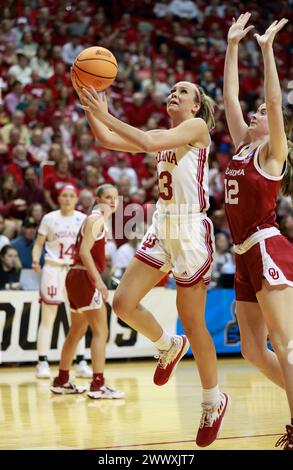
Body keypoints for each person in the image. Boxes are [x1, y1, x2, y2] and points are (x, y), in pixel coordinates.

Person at [73, 75, 230, 446]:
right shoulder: (165, 135)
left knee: (193, 323)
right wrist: (93, 111)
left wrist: (104, 112)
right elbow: (107, 140)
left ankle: (213, 400)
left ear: (196, 105)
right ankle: (167, 345)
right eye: (172, 91)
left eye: (184, 92)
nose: (174, 94)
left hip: (190, 229)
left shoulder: (196, 127)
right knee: (123, 303)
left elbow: (143, 140)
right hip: (163, 223)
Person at [223, 13, 293, 450]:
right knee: (252, 349)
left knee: (286, 346)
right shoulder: (243, 145)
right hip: (242, 253)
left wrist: (266, 51)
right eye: (255, 113)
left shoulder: (272, 155)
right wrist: (232, 46)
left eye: (263, 114)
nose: (255, 113)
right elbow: (229, 96)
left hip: (267, 248)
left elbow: (273, 99)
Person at [51, 184, 125, 399]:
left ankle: (62, 380)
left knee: (76, 332)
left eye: (115, 197)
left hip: (75, 277)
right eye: (107, 197)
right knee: (101, 331)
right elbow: (84, 252)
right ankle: (98, 384)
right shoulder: (96, 219)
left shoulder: (94, 219)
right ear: (98, 199)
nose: (112, 201)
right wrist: (99, 281)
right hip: (83, 277)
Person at [32, 185, 91, 379]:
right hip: (53, 269)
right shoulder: (49, 218)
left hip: (74, 271)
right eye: (64, 195)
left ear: (76, 199)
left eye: (71, 196)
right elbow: (39, 244)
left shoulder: (83, 219)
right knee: (48, 318)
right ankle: (42, 362)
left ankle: (81, 361)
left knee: (79, 319)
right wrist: (35, 259)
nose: (67, 199)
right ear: (59, 198)